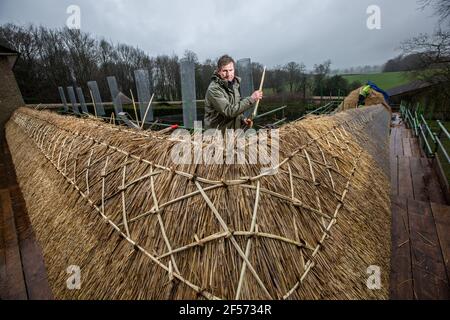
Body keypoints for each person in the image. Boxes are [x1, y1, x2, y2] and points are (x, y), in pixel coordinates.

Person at [204, 55, 263, 130]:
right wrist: (251, 99)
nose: (228, 74)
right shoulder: (214, 89)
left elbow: (235, 106)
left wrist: (242, 119)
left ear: (234, 70)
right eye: (225, 71)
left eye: (231, 70)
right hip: (217, 135)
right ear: (219, 71)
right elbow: (229, 111)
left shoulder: (233, 85)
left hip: (231, 134)